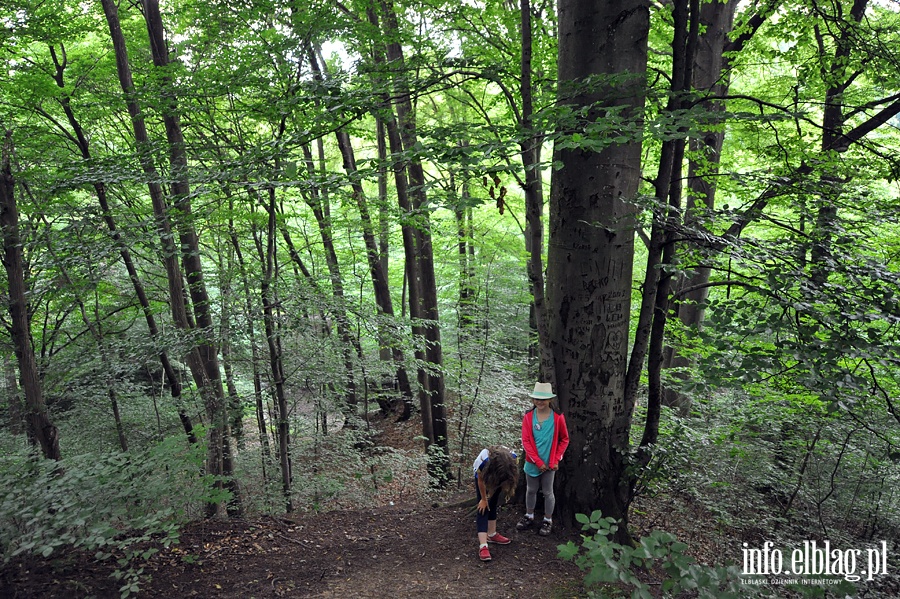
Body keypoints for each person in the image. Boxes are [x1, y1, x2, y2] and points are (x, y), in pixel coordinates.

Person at [518, 382, 569, 536]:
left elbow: (564, 439)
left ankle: (548, 520)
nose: (540, 402)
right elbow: (526, 441)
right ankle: (529, 515)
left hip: (550, 464)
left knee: (548, 492)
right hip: (532, 462)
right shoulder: (528, 417)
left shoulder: (558, 417)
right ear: (533, 400)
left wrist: (555, 460)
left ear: (549, 400)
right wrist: (538, 462)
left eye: (543, 399)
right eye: (536, 399)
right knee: (531, 490)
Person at [473, 445, 519, 561]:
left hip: (501, 476)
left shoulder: (513, 458)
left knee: (493, 503)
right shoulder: (483, 462)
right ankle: (483, 545)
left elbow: (512, 475)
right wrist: (483, 499)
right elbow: (480, 480)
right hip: (485, 477)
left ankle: (492, 534)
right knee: (483, 507)